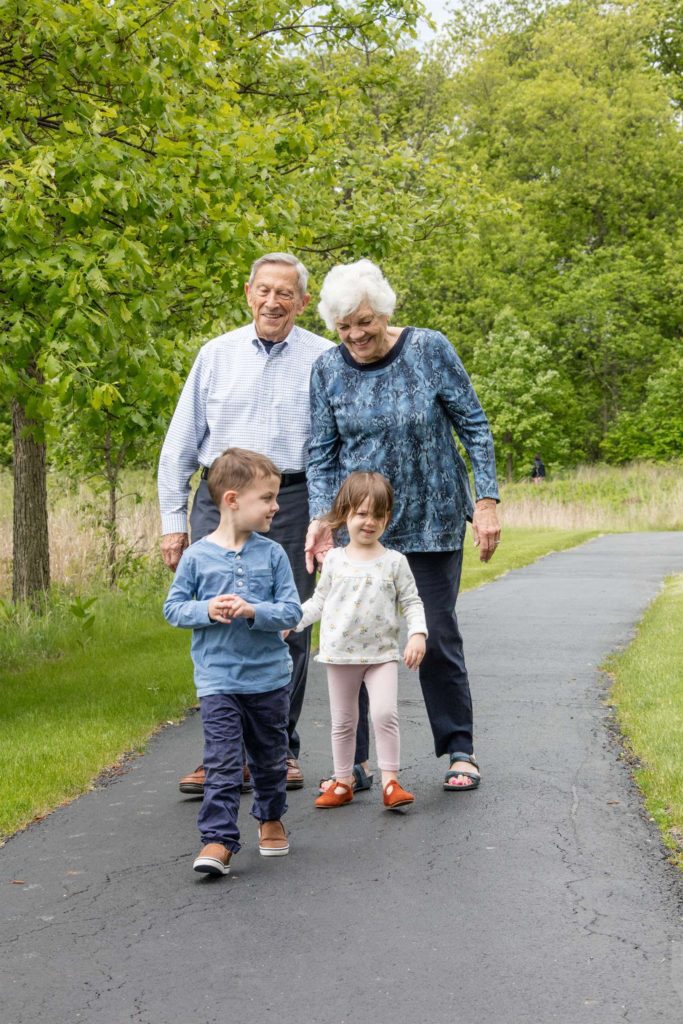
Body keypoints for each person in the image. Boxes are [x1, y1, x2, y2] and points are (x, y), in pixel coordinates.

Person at [304, 259, 501, 793]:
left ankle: (459, 747)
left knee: (434, 635)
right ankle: (356, 766)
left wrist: (486, 500)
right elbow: (320, 456)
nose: (355, 335)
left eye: (363, 322)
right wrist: (325, 519)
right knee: (356, 640)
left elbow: (475, 427)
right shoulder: (327, 369)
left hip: (434, 519)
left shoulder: (430, 349)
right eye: (343, 327)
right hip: (362, 529)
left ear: (384, 311)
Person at [158, 253, 334, 794]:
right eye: (264, 291)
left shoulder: (326, 358)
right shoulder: (216, 355)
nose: (272, 302)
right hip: (218, 498)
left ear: (303, 302)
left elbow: (336, 444)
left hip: (293, 501)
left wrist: (330, 517)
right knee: (216, 621)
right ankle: (222, 754)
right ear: (247, 292)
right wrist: (171, 519)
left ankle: (278, 750)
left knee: (288, 623)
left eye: (285, 294)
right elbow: (180, 443)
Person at [163, 448, 303, 876]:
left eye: (276, 497)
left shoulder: (273, 554)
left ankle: (271, 817)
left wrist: (252, 611)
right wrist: (206, 609)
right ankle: (218, 839)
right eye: (267, 497)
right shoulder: (197, 556)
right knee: (222, 761)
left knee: (269, 758)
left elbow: (291, 612)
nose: (276, 506)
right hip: (218, 679)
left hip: (269, 679)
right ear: (232, 500)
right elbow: (174, 609)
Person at [294, 471, 427, 811]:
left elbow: (412, 602)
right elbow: (319, 602)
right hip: (340, 656)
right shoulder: (335, 560)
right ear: (345, 514)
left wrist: (417, 634)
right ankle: (342, 782)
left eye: (378, 515)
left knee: (384, 714)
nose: (369, 522)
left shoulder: (395, 562)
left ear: (387, 518)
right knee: (343, 721)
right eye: (361, 514)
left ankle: (390, 781)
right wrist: (289, 622)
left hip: (381, 655)